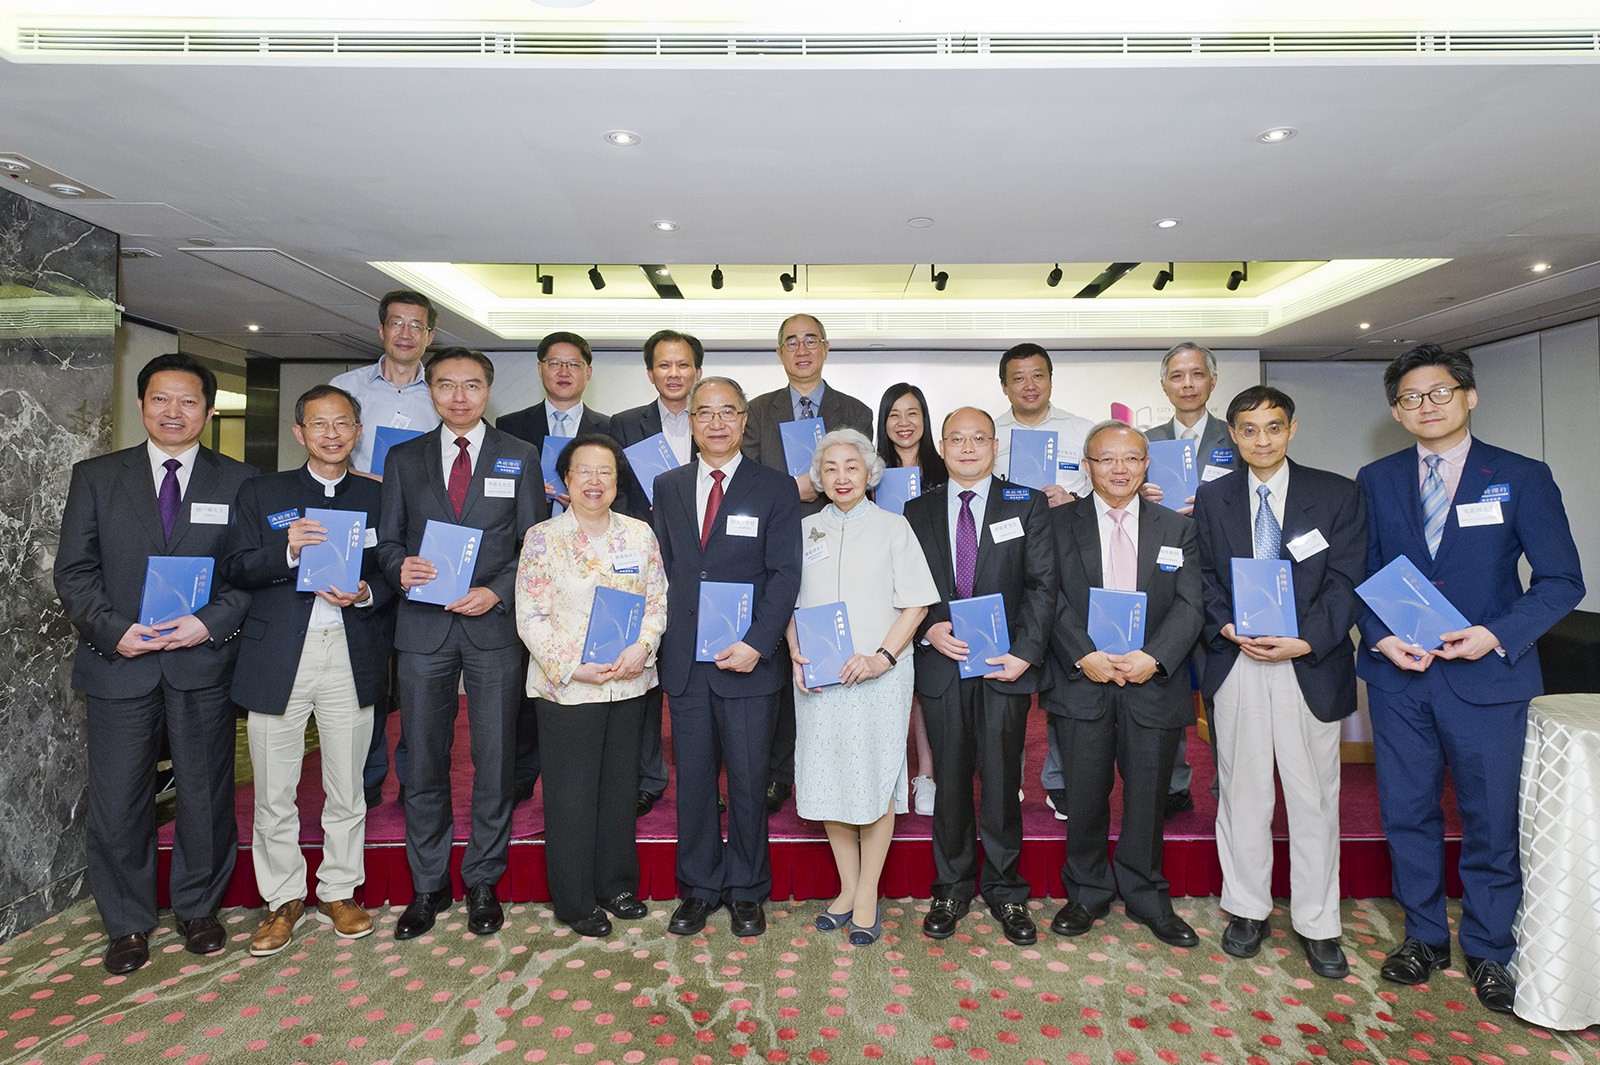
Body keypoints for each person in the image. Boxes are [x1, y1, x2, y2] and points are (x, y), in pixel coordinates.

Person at [1356, 343, 1584, 1014]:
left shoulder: (1520, 475)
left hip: (1489, 677)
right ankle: (1423, 936)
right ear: (1396, 412)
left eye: (1438, 393)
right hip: (1401, 677)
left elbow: (1562, 580)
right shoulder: (1376, 477)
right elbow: (1360, 576)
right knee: (1407, 810)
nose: (1425, 406)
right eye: (1410, 398)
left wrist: (1495, 634)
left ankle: (1489, 948)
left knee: (1490, 819)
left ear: (1469, 395)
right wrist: (1379, 637)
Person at [54, 352, 258, 974]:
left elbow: (249, 574)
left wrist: (209, 622)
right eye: (162, 400)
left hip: (202, 662)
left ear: (208, 409)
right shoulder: (96, 477)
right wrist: (117, 632)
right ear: (141, 404)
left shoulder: (241, 482)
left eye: (189, 401)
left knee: (204, 793)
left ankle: (199, 909)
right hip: (122, 662)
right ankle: (128, 923)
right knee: (119, 801)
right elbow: (75, 571)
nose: (174, 412)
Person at [1191, 386, 1366, 980]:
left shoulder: (1337, 494)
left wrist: (1306, 638)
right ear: (1233, 435)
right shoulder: (1213, 498)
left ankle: (1319, 922)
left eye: (1272, 427)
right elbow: (1203, 575)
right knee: (1242, 790)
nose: (1260, 439)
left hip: (1307, 663)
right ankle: (1247, 907)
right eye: (1248, 429)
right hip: (1236, 659)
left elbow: (1347, 579)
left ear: (1292, 428)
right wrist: (1227, 623)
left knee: (1313, 796)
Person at [377, 348, 546, 941]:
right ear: (430, 390)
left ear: (488, 391)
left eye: (471, 385)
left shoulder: (519, 456)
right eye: (445, 385)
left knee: (495, 760)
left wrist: (496, 593)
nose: (458, 396)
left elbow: (533, 543)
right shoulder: (403, 458)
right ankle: (428, 885)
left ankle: (482, 880)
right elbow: (387, 539)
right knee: (423, 759)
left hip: (492, 627)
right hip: (424, 626)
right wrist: (401, 567)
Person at [223, 385, 394, 955]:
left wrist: (369, 589)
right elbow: (237, 566)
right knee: (275, 788)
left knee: (347, 783)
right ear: (300, 433)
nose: (331, 433)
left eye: (342, 423)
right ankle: (283, 899)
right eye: (319, 423)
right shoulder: (262, 492)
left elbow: (396, 568)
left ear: (357, 431)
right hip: (281, 655)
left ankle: (340, 891)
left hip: (351, 649)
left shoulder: (378, 496)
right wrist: (287, 552)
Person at [1044, 420, 1204, 949]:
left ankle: (1145, 894)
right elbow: (1048, 597)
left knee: (1147, 796)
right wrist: (1083, 654)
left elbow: (1189, 604)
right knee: (1085, 795)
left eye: (1131, 458)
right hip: (1082, 680)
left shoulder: (1176, 528)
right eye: (1107, 459)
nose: (1119, 468)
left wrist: (1153, 658)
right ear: (1087, 466)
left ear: (1146, 465)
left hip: (1150, 682)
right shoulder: (1057, 524)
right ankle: (1086, 892)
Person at [652, 377, 803, 937]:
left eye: (727, 413)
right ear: (689, 421)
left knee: (746, 780)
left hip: (748, 661)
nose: (716, 423)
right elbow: (664, 567)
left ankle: (746, 888)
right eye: (704, 413)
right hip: (686, 662)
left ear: (744, 421)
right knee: (692, 781)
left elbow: (786, 575)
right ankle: (697, 888)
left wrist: (758, 645)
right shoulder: (666, 486)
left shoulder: (775, 487)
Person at [904, 406, 1057, 946]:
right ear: (941, 448)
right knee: (948, 782)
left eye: (978, 438)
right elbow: (907, 587)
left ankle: (1006, 891)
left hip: (1004, 665)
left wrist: (1026, 652)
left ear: (995, 447)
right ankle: (950, 885)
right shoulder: (915, 510)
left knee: (999, 781)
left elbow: (1043, 586)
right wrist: (928, 629)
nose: (967, 448)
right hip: (944, 662)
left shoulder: (1026, 503)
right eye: (956, 439)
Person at [789, 428, 938, 946]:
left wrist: (882, 658)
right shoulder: (803, 528)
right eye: (830, 468)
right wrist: (794, 650)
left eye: (852, 466)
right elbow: (788, 603)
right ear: (818, 477)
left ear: (869, 472)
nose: (842, 476)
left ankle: (868, 891)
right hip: (819, 678)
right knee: (830, 777)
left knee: (873, 779)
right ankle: (848, 888)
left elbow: (917, 604)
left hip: (880, 675)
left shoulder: (894, 527)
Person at [515, 433, 668, 937]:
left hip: (627, 683)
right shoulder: (542, 538)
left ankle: (616, 884)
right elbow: (530, 617)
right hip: (568, 689)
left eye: (605, 471)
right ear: (566, 480)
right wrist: (571, 665)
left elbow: (656, 602)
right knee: (572, 794)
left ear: (617, 480)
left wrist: (641, 648)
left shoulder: (639, 534)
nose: (595, 481)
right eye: (584, 471)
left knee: (619, 788)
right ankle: (576, 899)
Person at [742, 313, 874, 815]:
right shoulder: (756, 412)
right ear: (779, 352)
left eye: (810, 340)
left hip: (838, 539)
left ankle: (836, 763)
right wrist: (788, 490)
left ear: (826, 347)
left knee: (836, 649)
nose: (801, 349)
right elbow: (749, 479)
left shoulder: (855, 411)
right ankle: (778, 771)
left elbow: (866, 476)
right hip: (773, 543)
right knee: (780, 654)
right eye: (790, 342)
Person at [329, 289, 441, 810]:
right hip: (356, 529)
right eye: (395, 323)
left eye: (416, 326)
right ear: (380, 330)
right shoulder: (345, 389)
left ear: (429, 336)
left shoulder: (441, 395)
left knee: (418, 660)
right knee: (367, 660)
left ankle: (414, 775)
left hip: (420, 539)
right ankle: (368, 779)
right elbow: (323, 450)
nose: (404, 334)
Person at [497, 331, 613, 805]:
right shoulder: (510, 425)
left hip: (593, 569)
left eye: (573, 364)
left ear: (588, 371)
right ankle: (524, 771)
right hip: (532, 560)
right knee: (529, 669)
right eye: (553, 363)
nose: (563, 372)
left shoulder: (610, 425)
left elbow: (620, 491)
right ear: (541, 369)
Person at [990, 342, 1095, 818]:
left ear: (1051, 379)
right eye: (1018, 378)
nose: (1029, 385)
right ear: (1005, 385)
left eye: (1038, 376)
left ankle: (1058, 779)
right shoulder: (992, 436)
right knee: (1006, 673)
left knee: (1063, 672)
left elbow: (1104, 494)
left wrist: (1072, 495)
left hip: (1071, 561)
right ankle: (1005, 777)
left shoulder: (1082, 431)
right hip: (1011, 567)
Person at [609, 328, 704, 817]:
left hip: (699, 568)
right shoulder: (624, 425)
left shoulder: (714, 422)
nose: (674, 374)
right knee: (642, 670)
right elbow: (617, 497)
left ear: (697, 372)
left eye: (683, 365)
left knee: (697, 674)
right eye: (664, 365)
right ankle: (647, 776)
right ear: (650, 373)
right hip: (640, 565)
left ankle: (705, 778)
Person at [1141, 340, 1234, 817]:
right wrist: (1141, 493)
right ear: (1164, 385)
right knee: (1164, 683)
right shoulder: (1144, 442)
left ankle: (1228, 784)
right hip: (1164, 576)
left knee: (1220, 688)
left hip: (1220, 579)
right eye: (1177, 376)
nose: (1188, 384)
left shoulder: (1237, 437)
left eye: (1197, 374)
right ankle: (1173, 782)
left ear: (1212, 381)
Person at [875, 382, 946, 817]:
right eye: (894, 414)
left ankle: (928, 773)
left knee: (927, 687)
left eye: (913, 413)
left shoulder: (943, 471)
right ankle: (891, 774)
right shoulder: (870, 472)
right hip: (883, 590)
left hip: (932, 590)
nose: (904, 423)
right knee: (893, 683)